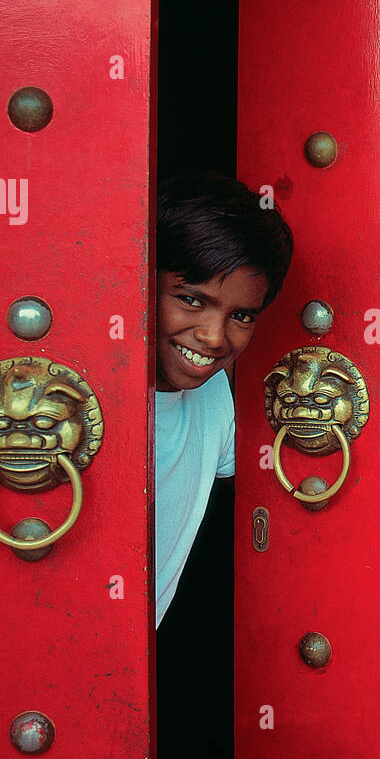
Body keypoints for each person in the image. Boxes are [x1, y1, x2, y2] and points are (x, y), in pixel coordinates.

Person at [154, 171, 292, 629]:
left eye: (241, 315)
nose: (214, 337)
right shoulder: (83, 401)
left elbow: (261, 491)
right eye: (191, 300)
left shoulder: (214, 394)